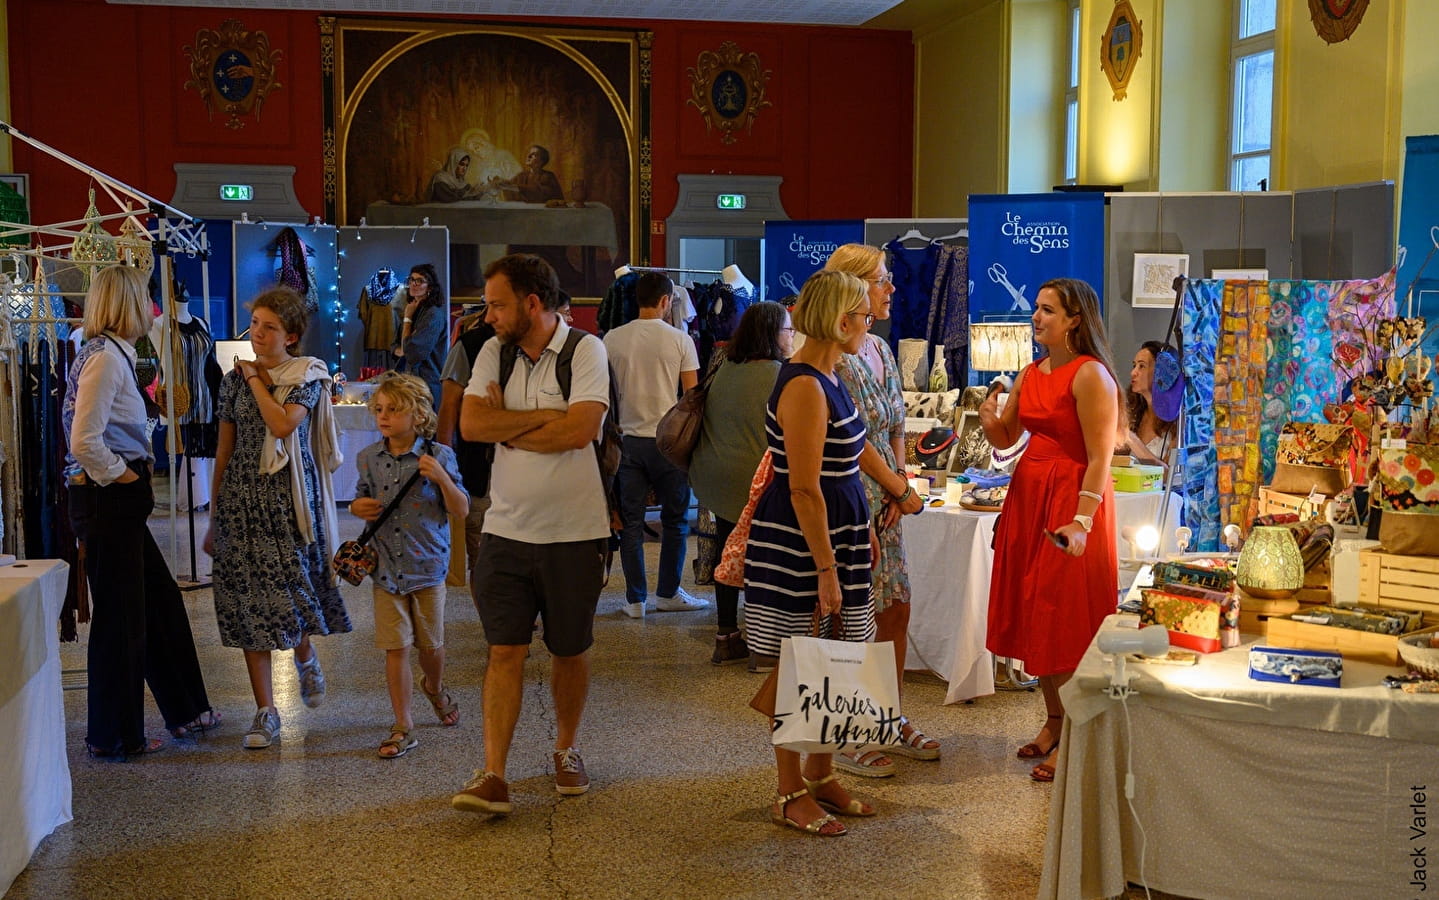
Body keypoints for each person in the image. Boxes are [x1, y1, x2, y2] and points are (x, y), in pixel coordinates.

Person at [746, 270, 923, 837]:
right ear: (841, 320)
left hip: (841, 534)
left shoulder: (832, 374)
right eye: (863, 315)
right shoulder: (803, 385)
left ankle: (821, 776)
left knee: (836, 661)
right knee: (802, 664)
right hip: (804, 542)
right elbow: (802, 486)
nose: (870, 322)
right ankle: (789, 789)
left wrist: (893, 492)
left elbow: (856, 450)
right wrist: (826, 566)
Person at [450, 254, 610, 816]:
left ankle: (566, 748)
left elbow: (583, 429)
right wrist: (547, 422)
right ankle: (494, 773)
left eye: (497, 304)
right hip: (506, 531)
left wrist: (510, 426)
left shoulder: (586, 350)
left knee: (571, 649)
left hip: (576, 532)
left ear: (532, 304)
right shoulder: (491, 350)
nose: (487, 315)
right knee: (503, 650)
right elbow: (472, 426)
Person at [63, 264, 218, 757]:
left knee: (158, 600)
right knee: (121, 617)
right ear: (127, 304)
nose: (153, 310)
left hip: (115, 499)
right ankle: (114, 735)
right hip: (109, 497)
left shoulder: (112, 354)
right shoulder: (105, 359)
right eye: (147, 300)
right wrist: (123, 475)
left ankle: (186, 710)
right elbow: (83, 441)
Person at [978, 277, 1122, 784]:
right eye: (1036, 308)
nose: (1036, 317)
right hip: (1030, 493)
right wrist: (988, 417)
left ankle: (1079, 732)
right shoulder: (1031, 371)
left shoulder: (1091, 376)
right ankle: (1054, 721)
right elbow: (1007, 437)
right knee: (1039, 611)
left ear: (1075, 320)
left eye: (1048, 310)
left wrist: (1082, 520)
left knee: (1066, 616)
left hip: (1071, 500)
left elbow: (1101, 457)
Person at [206, 286, 350, 750]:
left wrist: (254, 379)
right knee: (248, 604)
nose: (258, 333)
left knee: (290, 594)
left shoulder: (307, 375)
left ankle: (304, 653)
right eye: (255, 324)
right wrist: (214, 514)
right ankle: (265, 711)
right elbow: (224, 450)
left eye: (270, 327)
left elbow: (283, 424)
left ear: (291, 335)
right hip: (241, 499)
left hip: (287, 500)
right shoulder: (230, 381)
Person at [826, 243, 941, 776]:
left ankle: (888, 717)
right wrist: (896, 487)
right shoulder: (834, 355)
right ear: (851, 289)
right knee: (854, 620)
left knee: (896, 608)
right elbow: (852, 440)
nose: (892, 288)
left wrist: (900, 485)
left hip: (889, 499)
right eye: (881, 279)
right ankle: (847, 731)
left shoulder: (879, 348)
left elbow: (895, 426)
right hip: (851, 499)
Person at [351, 374, 469, 758]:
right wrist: (357, 508)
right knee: (395, 647)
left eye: (394, 410)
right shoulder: (368, 458)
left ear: (417, 415)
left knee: (430, 645)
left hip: (427, 567)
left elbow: (461, 508)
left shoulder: (439, 457)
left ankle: (433, 686)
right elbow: (360, 499)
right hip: (385, 568)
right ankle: (404, 725)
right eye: (379, 410)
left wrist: (441, 479)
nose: (384, 417)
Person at [688, 301, 793, 664]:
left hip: (717, 478)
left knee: (726, 551)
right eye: (788, 329)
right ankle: (766, 643)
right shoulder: (780, 374)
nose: (791, 336)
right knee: (765, 559)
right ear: (772, 334)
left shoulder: (725, 368)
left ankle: (726, 634)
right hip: (756, 483)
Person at [603, 272, 707, 619]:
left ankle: (635, 599)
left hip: (628, 440)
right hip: (668, 441)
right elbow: (692, 397)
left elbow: (605, 394)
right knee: (675, 520)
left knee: (631, 522)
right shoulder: (680, 339)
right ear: (666, 301)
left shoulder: (611, 339)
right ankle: (667, 593)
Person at [394, 263, 448, 407]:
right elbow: (396, 345)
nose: (414, 284)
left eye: (420, 281)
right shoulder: (414, 310)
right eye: (411, 279)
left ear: (430, 287)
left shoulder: (432, 314)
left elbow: (412, 353)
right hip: (412, 381)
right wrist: (404, 346)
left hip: (427, 383)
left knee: (426, 427)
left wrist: (407, 319)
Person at [1126, 340, 1178, 469]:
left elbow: (1169, 475)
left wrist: (1132, 439)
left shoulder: (1180, 421)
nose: (1133, 373)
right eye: (1134, 366)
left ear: (1162, 373)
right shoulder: (1133, 413)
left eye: (1141, 366)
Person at [499, 145, 564, 204]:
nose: (528, 156)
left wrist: (516, 187)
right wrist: (501, 182)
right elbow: (510, 185)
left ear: (541, 161)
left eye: (534, 155)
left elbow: (539, 193)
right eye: (529, 153)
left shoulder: (548, 176)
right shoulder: (522, 175)